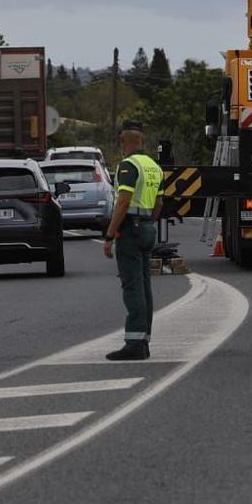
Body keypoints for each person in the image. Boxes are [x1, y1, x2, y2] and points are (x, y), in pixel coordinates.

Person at [102, 122, 163, 361]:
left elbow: (123, 202)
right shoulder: (154, 167)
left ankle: (134, 344)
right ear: (143, 141)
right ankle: (144, 340)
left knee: (132, 288)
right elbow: (159, 205)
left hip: (130, 231)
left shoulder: (128, 166)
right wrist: (147, 222)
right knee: (145, 287)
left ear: (122, 142)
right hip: (147, 227)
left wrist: (109, 235)